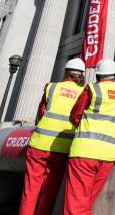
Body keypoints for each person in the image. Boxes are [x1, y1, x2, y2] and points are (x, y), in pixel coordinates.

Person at [64, 59, 115, 214]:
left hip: (84, 153)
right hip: (109, 155)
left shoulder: (92, 90)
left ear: (97, 76)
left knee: (77, 202)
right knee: (87, 200)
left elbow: (75, 116)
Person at [19, 58, 87, 215]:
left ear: (66, 72)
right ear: (81, 74)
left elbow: (41, 112)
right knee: (50, 189)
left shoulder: (52, 87)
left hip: (39, 143)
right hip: (63, 147)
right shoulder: (82, 92)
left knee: (30, 188)